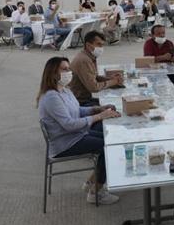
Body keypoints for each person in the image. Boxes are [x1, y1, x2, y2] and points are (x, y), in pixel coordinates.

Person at [37, 56, 121, 205]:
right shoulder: (51, 97)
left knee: (111, 138)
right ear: (53, 73)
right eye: (64, 69)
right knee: (108, 147)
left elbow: (77, 110)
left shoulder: (64, 90)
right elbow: (69, 124)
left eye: (69, 69)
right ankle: (96, 192)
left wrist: (97, 108)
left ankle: (92, 181)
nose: (68, 72)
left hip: (75, 134)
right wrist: (100, 116)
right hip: (66, 143)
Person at [68, 31, 125, 106]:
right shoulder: (84, 60)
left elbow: (93, 77)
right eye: (98, 44)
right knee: (115, 106)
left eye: (102, 45)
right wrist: (113, 82)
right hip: (80, 102)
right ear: (88, 45)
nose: (101, 48)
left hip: (83, 98)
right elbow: (94, 87)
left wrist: (110, 79)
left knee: (115, 101)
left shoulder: (89, 57)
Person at [144, 24, 174, 91]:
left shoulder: (169, 43)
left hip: (168, 71)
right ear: (152, 35)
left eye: (163, 33)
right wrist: (162, 57)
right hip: (154, 72)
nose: (162, 35)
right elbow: (147, 60)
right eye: (158, 33)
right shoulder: (149, 43)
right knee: (161, 86)